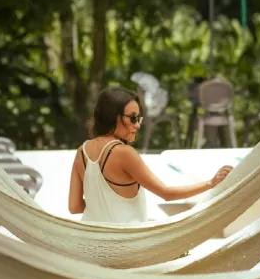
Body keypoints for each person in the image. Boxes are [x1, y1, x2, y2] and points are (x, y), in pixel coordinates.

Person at [68, 86, 233, 224]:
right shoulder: (124, 153)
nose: (137, 125)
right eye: (132, 118)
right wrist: (210, 183)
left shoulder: (81, 152)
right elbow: (166, 193)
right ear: (113, 116)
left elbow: (74, 207)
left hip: (91, 245)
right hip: (124, 248)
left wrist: (102, 209)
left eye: (138, 118)